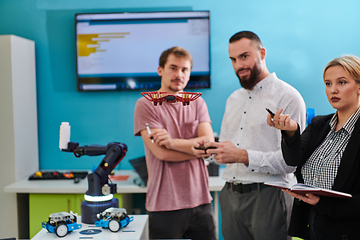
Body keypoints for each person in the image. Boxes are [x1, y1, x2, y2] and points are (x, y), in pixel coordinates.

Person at [194, 31, 307, 240]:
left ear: (262, 53)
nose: (238, 65)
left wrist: (242, 156)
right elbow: (228, 151)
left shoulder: (288, 97)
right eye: (233, 59)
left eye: (244, 56)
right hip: (230, 197)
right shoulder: (233, 99)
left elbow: (291, 163)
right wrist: (209, 151)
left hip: (269, 198)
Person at [267, 55, 360, 240]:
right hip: (310, 226)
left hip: (348, 231)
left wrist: (323, 203)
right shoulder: (319, 124)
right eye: (328, 83)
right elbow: (293, 160)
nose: (333, 90)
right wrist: (291, 131)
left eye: (341, 82)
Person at [133, 46, 216, 240]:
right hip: (164, 206)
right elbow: (161, 154)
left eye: (184, 69)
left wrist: (171, 142)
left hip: (201, 202)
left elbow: (209, 144)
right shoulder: (145, 105)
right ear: (160, 70)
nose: (179, 74)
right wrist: (197, 149)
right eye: (173, 67)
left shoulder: (197, 103)